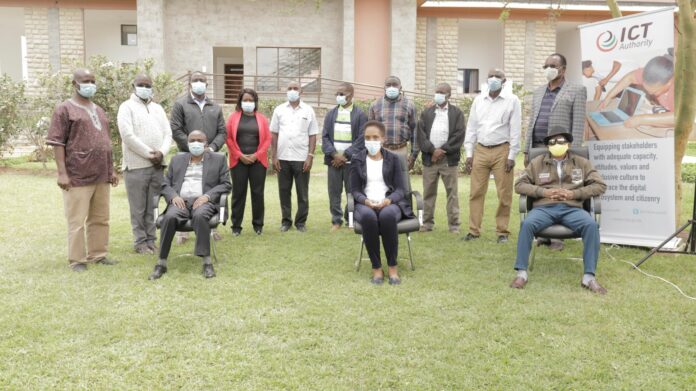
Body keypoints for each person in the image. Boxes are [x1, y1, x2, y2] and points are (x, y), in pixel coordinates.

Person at [511, 127, 607, 294]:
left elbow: (600, 185)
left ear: (568, 144)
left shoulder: (581, 162)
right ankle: (522, 273)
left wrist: (574, 193)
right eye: (552, 142)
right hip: (544, 208)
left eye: (561, 141)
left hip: (572, 208)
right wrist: (543, 192)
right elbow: (519, 185)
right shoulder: (537, 162)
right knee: (527, 224)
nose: (557, 144)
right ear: (548, 145)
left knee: (591, 225)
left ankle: (589, 276)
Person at [46, 68, 119, 272]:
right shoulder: (64, 109)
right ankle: (77, 260)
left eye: (93, 81)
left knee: (101, 218)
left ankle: (98, 254)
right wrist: (62, 173)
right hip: (77, 175)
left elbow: (106, 143)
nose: (90, 84)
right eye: (85, 80)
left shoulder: (99, 110)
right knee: (77, 220)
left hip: (101, 174)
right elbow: (57, 142)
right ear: (74, 84)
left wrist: (111, 170)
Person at [149, 131, 231, 280]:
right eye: (192, 140)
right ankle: (161, 263)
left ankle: (206, 262)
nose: (196, 143)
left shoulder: (219, 159)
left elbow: (226, 184)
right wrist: (174, 196)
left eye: (199, 140)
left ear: (206, 143)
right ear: (187, 143)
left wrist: (207, 196)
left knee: (200, 216)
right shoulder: (177, 160)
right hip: (181, 201)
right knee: (170, 217)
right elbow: (165, 184)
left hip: (203, 201)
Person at [524, 53, 587, 251]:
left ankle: (558, 237)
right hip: (537, 147)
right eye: (546, 65)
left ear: (563, 69)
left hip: (559, 148)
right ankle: (543, 233)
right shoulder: (538, 91)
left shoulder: (576, 90)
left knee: (559, 185)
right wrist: (527, 150)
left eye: (552, 65)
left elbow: (577, 123)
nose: (548, 68)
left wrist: (572, 152)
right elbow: (532, 122)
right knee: (540, 188)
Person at [351, 120, 414, 285]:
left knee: (387, 216)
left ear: (383, 138)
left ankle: (393, 267)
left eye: (375, 137)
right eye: (367, 137)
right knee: (368, 217)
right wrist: (365, 201)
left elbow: (401, 189)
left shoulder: (393, 159)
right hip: (364, 204)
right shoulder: (357, 159)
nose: (371, 141)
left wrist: (389, 200)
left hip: (389, 203)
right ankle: (376, 267)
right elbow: (354, 190)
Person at [463, 69, 521, 243]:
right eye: (491, 76)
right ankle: (474, 231)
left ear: (504, 81)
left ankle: (502, 231)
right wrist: (468, 153)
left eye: (498, 77)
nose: (494, 79)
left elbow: (515, 130)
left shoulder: (512, 100)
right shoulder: (479, 100)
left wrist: (512, 155)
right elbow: (472, 127)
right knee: (475, 192)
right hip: (480, 149)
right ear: (487, 80)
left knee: (504, 193)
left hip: (501, 150)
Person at [117, 73, 172, 254]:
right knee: (138, 207)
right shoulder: (126, 107)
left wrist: (162, 152)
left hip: (157, 166)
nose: (145, 88)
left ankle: (151, 240)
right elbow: (127, 135)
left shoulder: (158, 108)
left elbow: (168, 134)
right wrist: (150, 154)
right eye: (141, 85)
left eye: (148, 85)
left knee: (152, 205)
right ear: (134, 86)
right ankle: (140, 242)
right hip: (136, 167)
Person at [170, 71, 227, 243]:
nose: (199, 83)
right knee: (185, 189)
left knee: (207, 189)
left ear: (207, 85)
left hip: (210, 156)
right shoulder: (180, 105)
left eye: (202, 80)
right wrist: (193, 147)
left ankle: (210, 229)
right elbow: (176, 129)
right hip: (187, 155)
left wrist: (212, 147)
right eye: (196, 80)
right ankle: (183, 232)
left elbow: (222, 132)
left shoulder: (215, 107)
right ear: (190, 84)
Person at [414, 82, 466, 233]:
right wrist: (432, 150)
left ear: (449, 95)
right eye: (436, 91)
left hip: (448, 160)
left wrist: (442, 150)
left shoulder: (457, 113)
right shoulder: (427, 113)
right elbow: (421, 135)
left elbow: (459, 135)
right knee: (428, 192)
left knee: (452, 193)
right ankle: (427, 223)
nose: (438, 94)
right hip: (430, 160)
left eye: (441, 92)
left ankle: (454, 225)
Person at [270, 81, 319, 232]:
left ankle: (300, 222)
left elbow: (312, 135)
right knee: (284, 191)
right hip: (283, 157)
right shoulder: (279, 110)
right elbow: (274, 134)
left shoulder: (308, 110)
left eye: (295, 88)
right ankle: (286, 221)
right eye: (289, 88)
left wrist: (310, 156)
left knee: (302, 193)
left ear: (301, 92)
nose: (292, 91)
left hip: (301, 158)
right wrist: (274, 156)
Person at [321, 82, 367, 231]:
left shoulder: (360, 115)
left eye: (342, 94)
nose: (339, 97)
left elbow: (362, 139)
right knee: (334, 192)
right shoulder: (331, 113)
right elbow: (325, 137)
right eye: (337, 94)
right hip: (334, 162)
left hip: (351, 162)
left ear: (351, 95)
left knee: (352, 192)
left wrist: (346, 155)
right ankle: (336, 221)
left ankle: (350, 220)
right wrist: (335, 155)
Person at [225, 88, 271, 236]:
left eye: (251, 100)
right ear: (240, 101)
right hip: (238, 161)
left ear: (255, 102)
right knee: (238, 193)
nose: (248, 103)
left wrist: (257, 155)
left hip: (258, 161)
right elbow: (229, 138)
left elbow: (267, 139)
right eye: (245, 100)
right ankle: (236, 226)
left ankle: (258, 225)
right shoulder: (233, 118)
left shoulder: (262, 119)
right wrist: (239, 155)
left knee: (258, 193)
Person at [599, 54, 675, 128]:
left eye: (655, 92)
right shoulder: (654, 73)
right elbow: (629, 78)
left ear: (669, 82)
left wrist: (641, 119)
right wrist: (608, 97)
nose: (650, 94)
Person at [368, 76, 417, 169]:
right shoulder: (375, 105)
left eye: (394, 85)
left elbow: (415, 131)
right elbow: (370, 132)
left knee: (402, 182)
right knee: (381, 181)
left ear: (400, 88)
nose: (391, 88)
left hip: (401, 150)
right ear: (384, 87)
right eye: (388, 85)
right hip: (381, 150)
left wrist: (413, 156)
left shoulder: (409, 105)